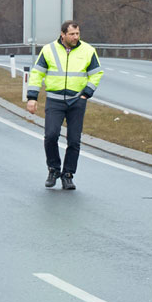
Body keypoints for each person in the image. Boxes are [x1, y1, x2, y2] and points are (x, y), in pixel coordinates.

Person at [24, 20, 103, 191]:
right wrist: (32, 97)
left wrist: (85, 94)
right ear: (63, 35)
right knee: (51, 135)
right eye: (72, 34)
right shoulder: (49, 50)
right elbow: (37, 73)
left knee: (74, 140)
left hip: (77, 101)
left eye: (77, 34)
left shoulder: (88, 50)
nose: (76, 37)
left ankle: (68, 175)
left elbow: (96, 74)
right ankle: (53, 169)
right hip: (54, 100)